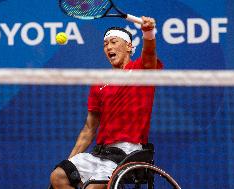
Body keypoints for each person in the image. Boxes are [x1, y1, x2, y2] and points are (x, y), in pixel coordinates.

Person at [49, 16, 163, 189]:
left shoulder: (141, 71)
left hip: (128, 152)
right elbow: (89, 128)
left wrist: (148, 32)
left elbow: (149, 55)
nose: (108, 47)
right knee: (58, 176)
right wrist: (70, 160)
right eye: (105, 44)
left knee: (92, 188)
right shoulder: (99, 84)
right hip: (100, 153)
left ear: (129, 47)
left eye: (113, 42)